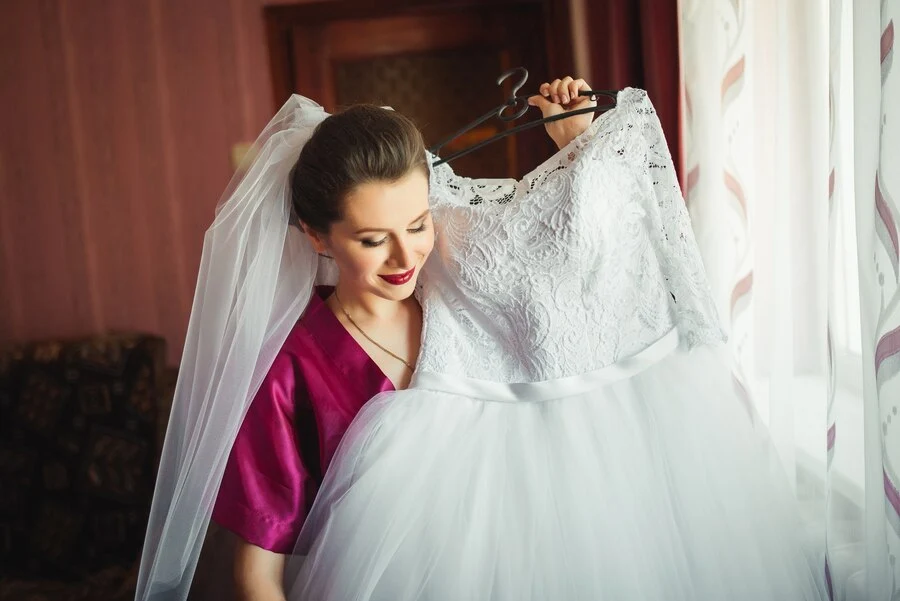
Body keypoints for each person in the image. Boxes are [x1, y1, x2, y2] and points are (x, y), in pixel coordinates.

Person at [136, 78, 828, 601]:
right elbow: (257, 572)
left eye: (417, 222)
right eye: (373, 239)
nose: (404, 255)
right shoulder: (290, 368)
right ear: (316, 237)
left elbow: (579, 283)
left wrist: (577, 145)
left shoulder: (461, 281)